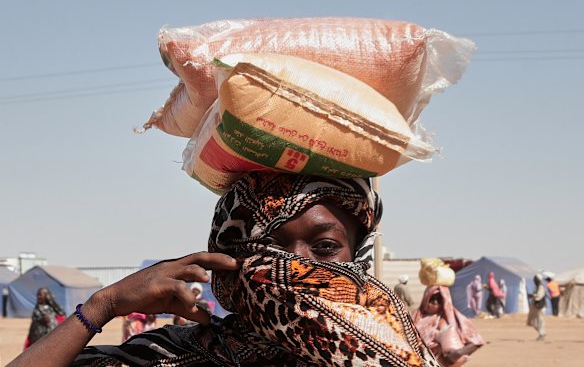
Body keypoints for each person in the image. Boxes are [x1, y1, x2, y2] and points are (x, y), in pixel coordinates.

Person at [9, 173, 439, 367]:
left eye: (324, 247)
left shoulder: (397, 348)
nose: (292, 267)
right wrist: (102, 306)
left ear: (357, 255)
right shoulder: (173, 355)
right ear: (230, 262)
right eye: (267, 248)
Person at [414, 285, 485, 367]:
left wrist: (457, 354)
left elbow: (476, 342)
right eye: (432, 299)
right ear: (426, 298)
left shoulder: (455, 319)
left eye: (439, 299)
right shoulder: (416, 317)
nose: (435, 302)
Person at [527, 274, 547, 341]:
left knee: (540, 321)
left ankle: (542, 334)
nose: (534, 281)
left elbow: (539, 296)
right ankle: (542, 333)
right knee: (534, 321)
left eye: (535, 279)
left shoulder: (541, 287)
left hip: (540, 307)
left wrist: (532, 295)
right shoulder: (537, 287)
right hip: (536, 307)